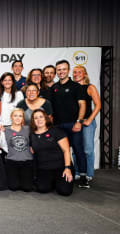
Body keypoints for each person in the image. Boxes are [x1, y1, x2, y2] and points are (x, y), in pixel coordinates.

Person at [51, 59, 88, 188]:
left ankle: (83, 176)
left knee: (78, 149)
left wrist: (79, 121)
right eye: (59, 69)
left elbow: (82, 105)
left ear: (68, 70)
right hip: (57, 126)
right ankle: (67, 172)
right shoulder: (54, 87)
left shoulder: (76, 86)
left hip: (73, 124)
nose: (61, 72)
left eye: (63, 69)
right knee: (61, 151)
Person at [30, 109, 74, 196]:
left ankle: (59, 181)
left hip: (61, 167)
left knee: (64, 192)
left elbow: (66, 151)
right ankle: (53, 182)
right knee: (42, 189)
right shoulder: (31, 135)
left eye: (41, 117)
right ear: (33, 121)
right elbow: (33, 153)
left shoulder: (56, 131)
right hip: (44, 169)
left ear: (46, 118)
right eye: (36, 118)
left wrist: (67, 168)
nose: (39, 120)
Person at [73, 65, 101, 181]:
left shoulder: (90, 87)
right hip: (75, 123)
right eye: (74, 72)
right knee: (76, 149)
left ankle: (89, 174)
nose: (77, 74)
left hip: (87, 123)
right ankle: (78, 172)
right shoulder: (72, 88)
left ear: (85, 74)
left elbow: (98, 105)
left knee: (88, 149)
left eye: (80, 72)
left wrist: (89, 120)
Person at [4, 108, 33, 192]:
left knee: (27, 188)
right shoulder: (5, 130)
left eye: (20, 116)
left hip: (27, 161)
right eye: (15, 115)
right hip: (12, 161)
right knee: (13, 187)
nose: (17, 118)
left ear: (23, 118)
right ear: (11, 117)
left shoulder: (28, 129)